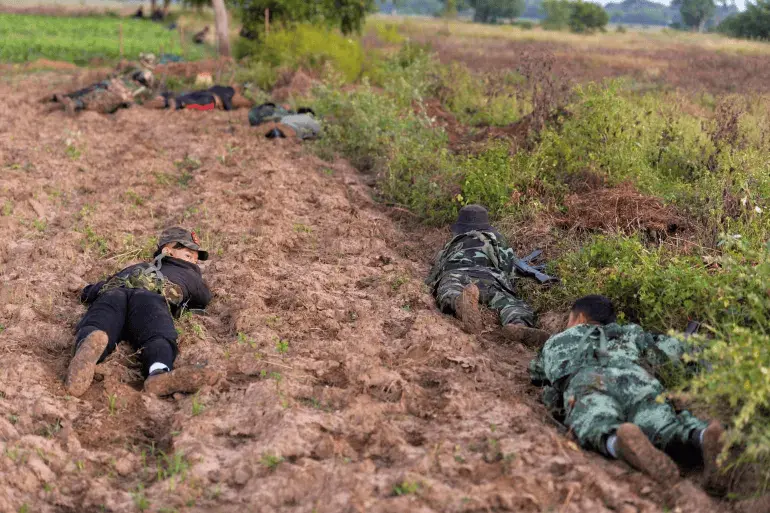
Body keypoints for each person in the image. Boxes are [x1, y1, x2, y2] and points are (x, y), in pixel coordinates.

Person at [529, 295, 725, 488]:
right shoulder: (629, 332)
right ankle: (701, 435)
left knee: (596, 422)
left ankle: (619, 443)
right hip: (635, 378)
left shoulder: (557, 341)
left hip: (588, 382)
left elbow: (537, 374)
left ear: (579, 318)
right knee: (663, 423)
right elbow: (668, 352)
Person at [66, 227, 216, 397]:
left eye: (196, 260)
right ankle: (158, 371)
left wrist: (85, 290)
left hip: (114, 294)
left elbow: (96, 289)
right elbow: (203, 298)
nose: (193, 262)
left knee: (99, 323)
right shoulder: (190, 274)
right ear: (168, 251)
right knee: (157, 332)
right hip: (150, 299)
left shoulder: (137, 268)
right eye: (188, 256)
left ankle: (83, 355)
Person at [426, 204, 550, 346]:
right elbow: (508, 268)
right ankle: (517, 323)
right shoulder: (495, 239)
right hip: (489, 277)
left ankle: (458, 302)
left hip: (456, 273)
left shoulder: (452, 243)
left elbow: (437, 268)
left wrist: (433, 284)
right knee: (508, 302)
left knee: (450, 290)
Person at [45, 54, 157, 114]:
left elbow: (120, 78)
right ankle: (72, 101)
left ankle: (65, 99)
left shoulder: (137, 73)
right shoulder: (143, 81)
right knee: (96, 96)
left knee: (93, 92)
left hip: (115, 87)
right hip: (118, 90)